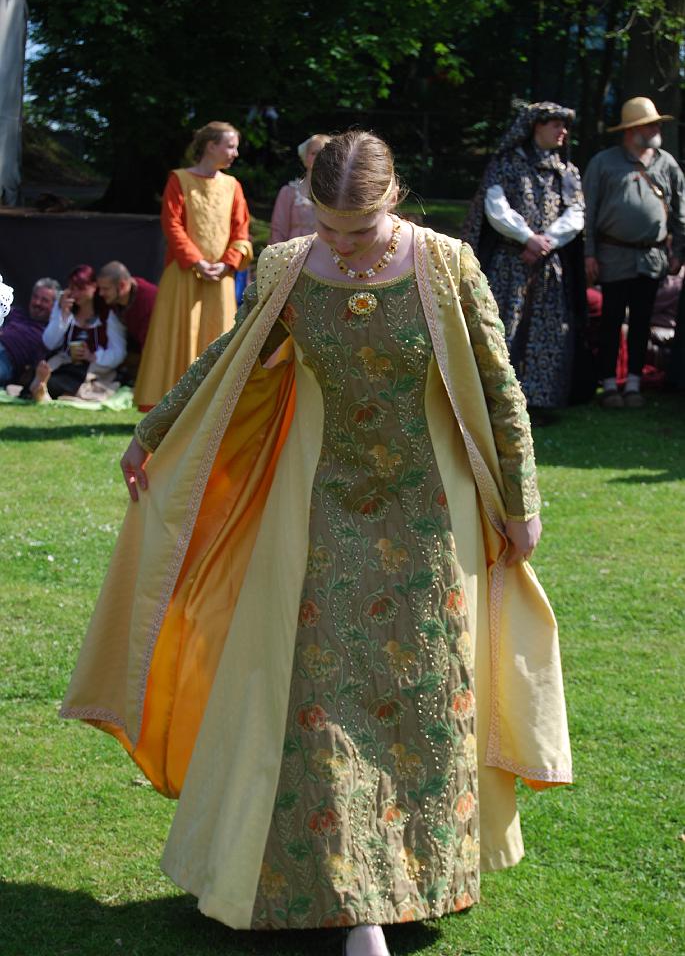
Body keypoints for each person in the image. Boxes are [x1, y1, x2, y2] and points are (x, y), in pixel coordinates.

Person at [61, 131, 572, 956]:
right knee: (319, 699)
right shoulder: (289, 265)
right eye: (329, 226)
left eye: (358, 229)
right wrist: (154, 431)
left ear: (394, 199)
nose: (340, 243)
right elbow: (234, 354)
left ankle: (414, 878)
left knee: (421, 695)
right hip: (319, 516)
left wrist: (522, 499)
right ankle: (352, 903)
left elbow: (496, 384)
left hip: (427, 516)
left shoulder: (447, 263)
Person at [463, 101, 585, 421]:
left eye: (564, 125)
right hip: (509, 263)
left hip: (548, 266)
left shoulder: (567, 171)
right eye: (556, 125)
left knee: (548, 331)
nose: (563, 132)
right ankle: (499, 399)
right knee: (504, 326)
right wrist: (527, 238)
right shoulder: (506, 164)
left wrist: (546, 242)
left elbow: (575, 213)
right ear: (536, 127)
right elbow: (495, 206)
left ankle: (541, 402)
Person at [134, 121, 253, 409]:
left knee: (217, 337)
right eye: (230, 145)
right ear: (211, 146)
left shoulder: (233, 186)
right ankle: (169, 406)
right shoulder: (179, 179)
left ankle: (212, 406)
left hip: (220, 280)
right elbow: (172, 225)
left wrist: (227, 264)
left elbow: (241, 230)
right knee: (178, 336)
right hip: (185, 275)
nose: (235, 153)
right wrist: (197, 261)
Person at [583, 96, 685, 407]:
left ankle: (635, 384)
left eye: (656, 123)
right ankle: (610, 382)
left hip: (653, 257)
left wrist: (679, 251)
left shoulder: (667, 164)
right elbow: (587, 211)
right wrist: (589, 253)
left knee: (642, 320)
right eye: (650, 124)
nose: (656, 128)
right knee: (612, 320)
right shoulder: (603, 163)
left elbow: (681, 212)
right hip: (613, 255)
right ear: (632, 130)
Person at [31, 264, 126, 402]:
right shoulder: (65, 308)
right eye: (72, 289)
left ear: (94, 287)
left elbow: (119, 352)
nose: (75, 294)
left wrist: (93, 356)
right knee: (43, 379)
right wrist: (63, 315)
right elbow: (49, 343)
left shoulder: (107, 315)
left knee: (60, 383)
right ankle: (43, 388)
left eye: (81, 289)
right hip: (65, 365)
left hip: (92, 369)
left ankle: (45, 391)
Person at [269, 134, 331, 242]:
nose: (318, 157)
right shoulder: (288, 192)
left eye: (323, 153)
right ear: (305, 157)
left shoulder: (338, 194)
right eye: (313, 153)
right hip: (294, 255)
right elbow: (278, 232)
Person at [0, 277, 59, 387]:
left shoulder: (51, 333)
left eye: (44, 300)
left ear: (54, 305)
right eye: (35, 297)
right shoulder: (16, 313)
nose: (37, 303)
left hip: (8, 361)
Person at [96, 261, 158, 351]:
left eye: (105, 289)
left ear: (122, 285)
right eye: (100, 288)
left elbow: (153, 349)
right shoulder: (113, 296)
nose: (101, 293)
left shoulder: (148, 302)